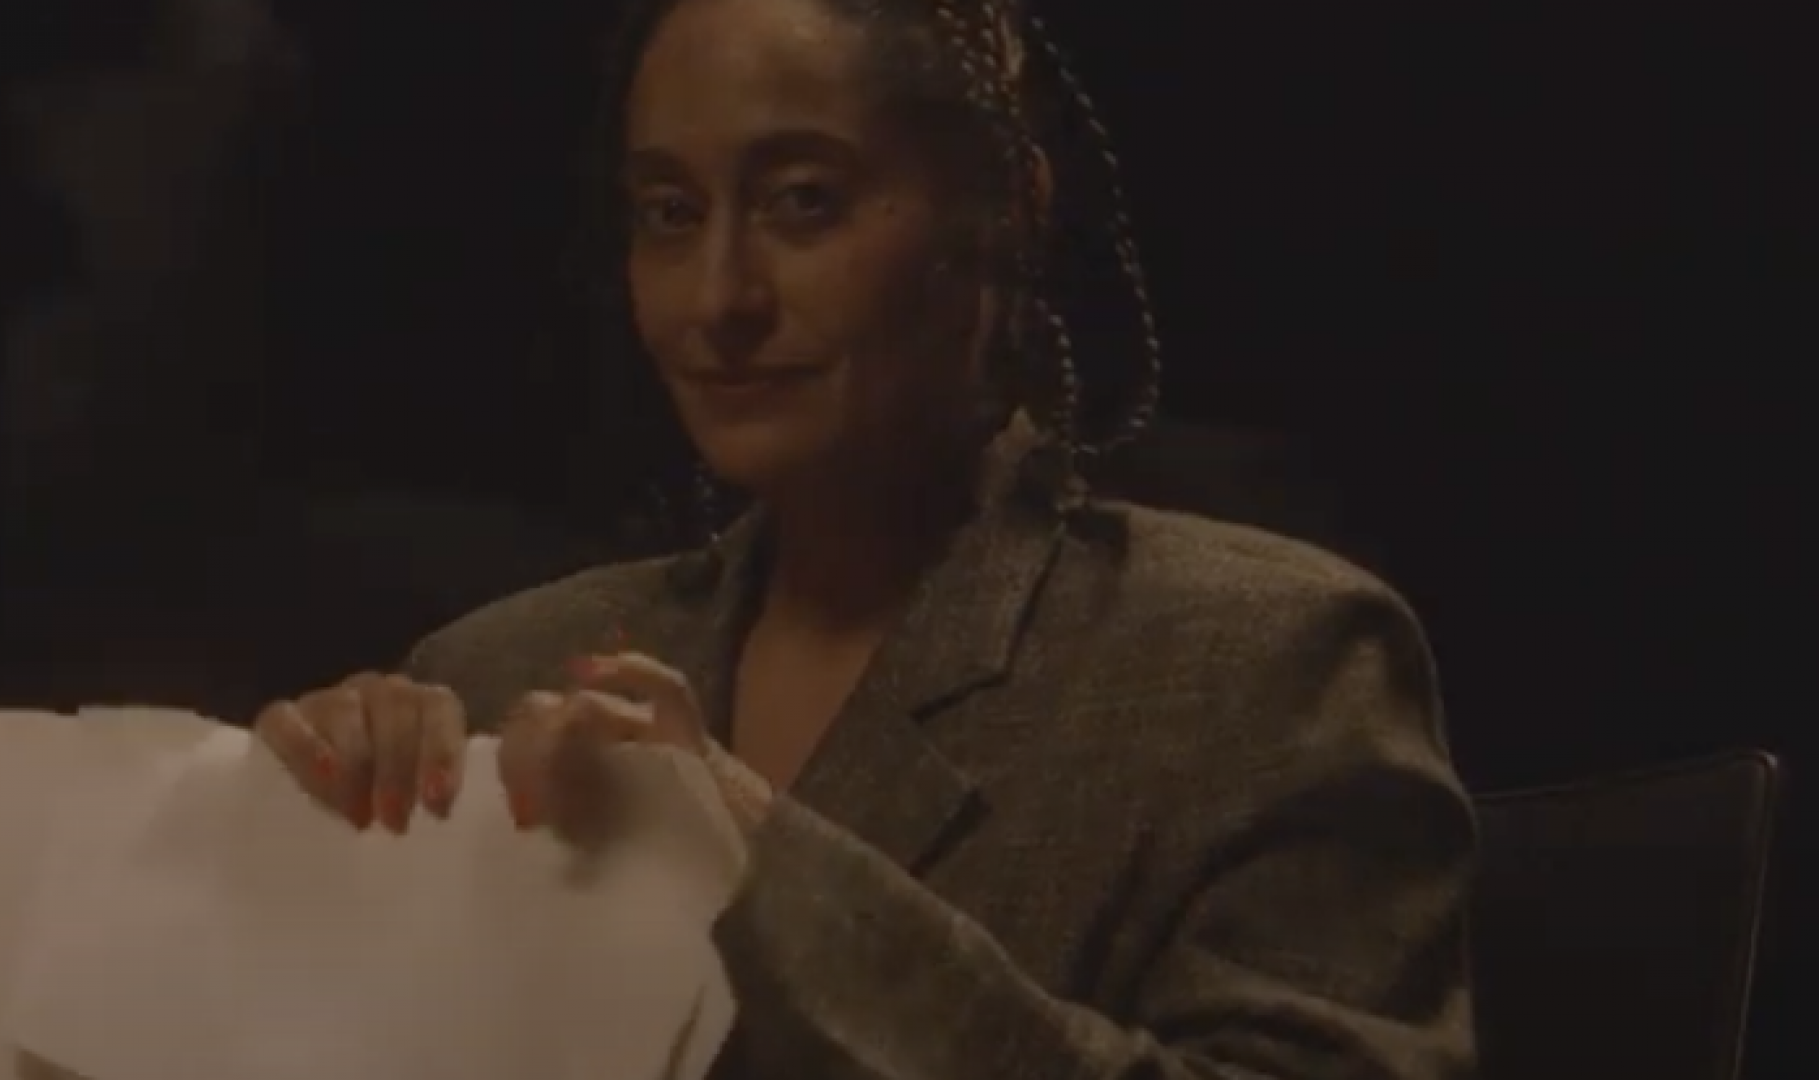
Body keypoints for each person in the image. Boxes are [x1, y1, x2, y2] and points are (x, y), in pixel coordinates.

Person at [252, 0, 1479, 1076]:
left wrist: (753, 857)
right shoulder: (494, 668)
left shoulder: (1262, 668)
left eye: (805, 202)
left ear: (1005, 211)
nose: (720, 298)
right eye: (670, 213)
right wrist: (280, 858)